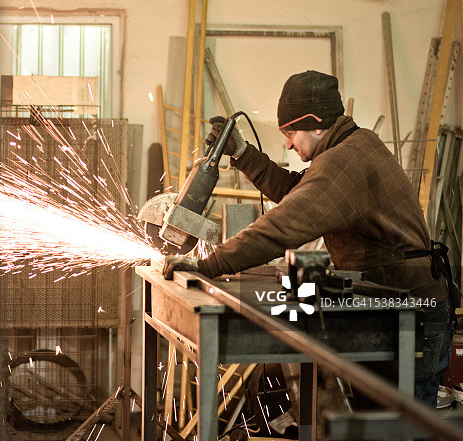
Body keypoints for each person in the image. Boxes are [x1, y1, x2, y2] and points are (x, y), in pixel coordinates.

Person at [163, 70, 456, 407]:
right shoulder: (353, 145)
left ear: (316, 124)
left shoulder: (344, 161)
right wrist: (242, 153)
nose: (288, 144)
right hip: (392, 301)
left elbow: (283, 225)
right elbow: (297, 191)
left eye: (291, 133)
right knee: (377, 417)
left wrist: (209, 264)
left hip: (412, 311)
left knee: (403, 422)